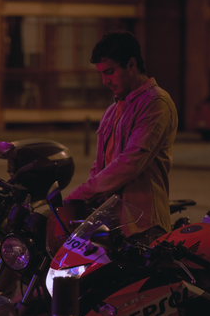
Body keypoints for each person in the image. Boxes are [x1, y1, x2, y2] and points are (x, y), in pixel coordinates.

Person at [65, 30, 178, 242]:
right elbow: (101, 164)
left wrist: (83, 193)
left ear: (131, 64)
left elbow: (129, 163)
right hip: (111, 223)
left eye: (110, 72)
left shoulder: (156, 104)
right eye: (101, 74)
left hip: (143, 225)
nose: (104, 81)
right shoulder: (112, 110)